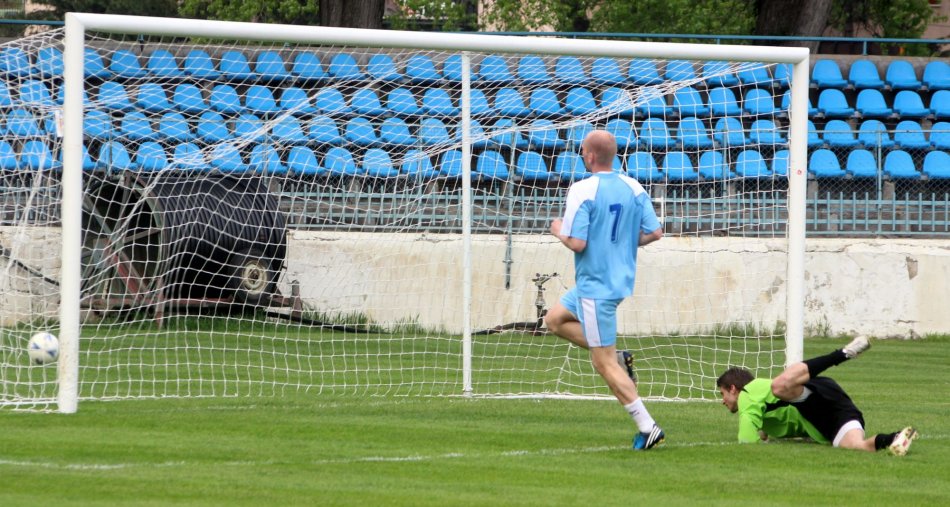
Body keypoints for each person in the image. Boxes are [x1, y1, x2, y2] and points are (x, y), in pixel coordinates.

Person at [544, 129, 665, 451]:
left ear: (590, 155)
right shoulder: (634, 186)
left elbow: (577, 243)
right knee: (554, 319)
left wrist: (558, 231)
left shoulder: (582, 190)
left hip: (597, 288)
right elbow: (655, 232)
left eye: (583, 150)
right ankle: (618, 355)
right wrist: (623, 242)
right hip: (611, 281)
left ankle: (647, 426)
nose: (582, 155)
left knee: (602, 363)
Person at [716, 336, 918, 455]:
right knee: (857, 447)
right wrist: (763, 433)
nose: (723, 401)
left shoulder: (747, 394)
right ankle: (897, 437)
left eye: (722, 393)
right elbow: (768, 423)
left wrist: (754, 440)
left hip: (813, 395)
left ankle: (842, 354)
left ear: (733, 389)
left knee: (780, 386)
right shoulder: (760, 402)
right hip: (830, 415)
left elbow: (746, 441)